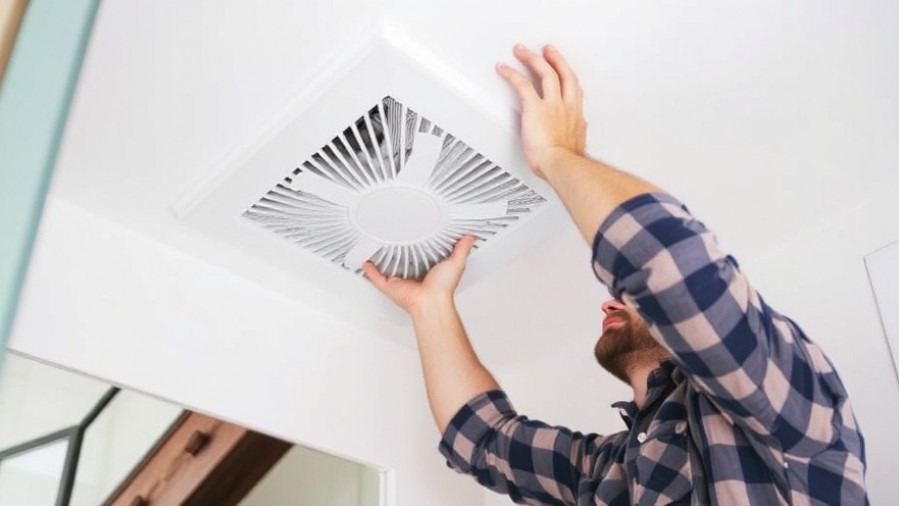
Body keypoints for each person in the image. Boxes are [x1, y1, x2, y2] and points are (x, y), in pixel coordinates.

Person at [362, 44, 868, 505]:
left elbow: (674, 275)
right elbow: (483, 438)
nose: (610, 302)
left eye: (629, 300)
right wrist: (430, 305)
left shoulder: (796, 421)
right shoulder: (613, 470)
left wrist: (559, 156)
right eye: (623, 297)